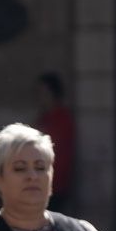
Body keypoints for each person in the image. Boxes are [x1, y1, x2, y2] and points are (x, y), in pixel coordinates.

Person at [36, 72, 76, 211]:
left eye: (43, 92)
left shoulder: (62, 118)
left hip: (56, 183)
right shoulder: (44, 117)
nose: (40, 97)